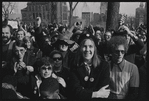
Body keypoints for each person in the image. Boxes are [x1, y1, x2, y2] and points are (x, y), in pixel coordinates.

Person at [69, 33, 110, 99]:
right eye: (84, 46)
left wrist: (83, 91)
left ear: (95, 49)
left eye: (90, 46)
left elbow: (104, 93)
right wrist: (96, 94)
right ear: (80, 48)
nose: (87, 50)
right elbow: (75, 91)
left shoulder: (103, 66)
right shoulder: (75, 65)